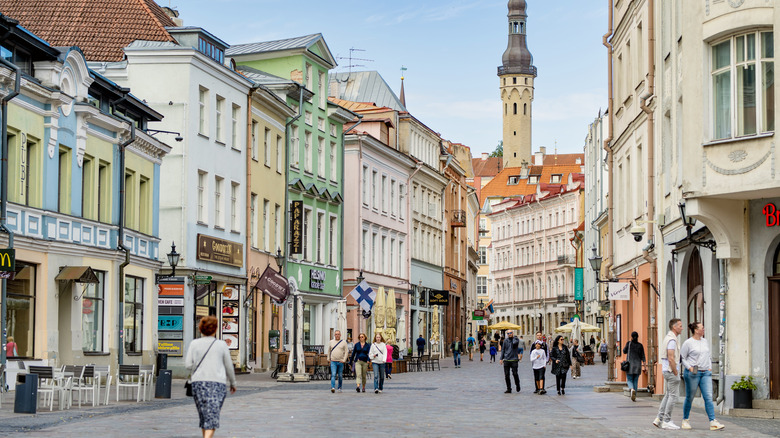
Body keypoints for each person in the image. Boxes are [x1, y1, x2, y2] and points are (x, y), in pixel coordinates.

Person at [185, 315, 236, 438]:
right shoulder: (221, 345)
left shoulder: (194, 344)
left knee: (204, 416)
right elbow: (229, 366)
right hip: (217, 384)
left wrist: (199, 368)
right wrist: (233, 383)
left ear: (200, 329)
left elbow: (188, 365)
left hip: (198, 384)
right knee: (212, 416)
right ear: (215, 329)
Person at [680, 322, 725, 431]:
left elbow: (708, 355)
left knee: (708, 397)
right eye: (702, 328)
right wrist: (689, 367)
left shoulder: (705, 341)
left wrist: (709, 367)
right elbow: (682, 357)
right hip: (693, 374)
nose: (704, 329)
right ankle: (685, 420)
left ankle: (713, 421)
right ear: (696, 330)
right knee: (690, 397)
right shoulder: (688, 343)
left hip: (705, 373)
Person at [653, 318, 683, 430]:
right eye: (680, 326)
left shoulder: (669, 338)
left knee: (668, 395)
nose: (682, 328)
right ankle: (667, 420)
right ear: (674, 327)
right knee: (673, 396)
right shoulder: (672, 340)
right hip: (671, 371)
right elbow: (671, 357)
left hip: (666, 370)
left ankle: (659, 418)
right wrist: (676, 372)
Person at [623, 331, 646, 402]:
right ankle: (634, 395)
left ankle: (632, 389)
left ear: (631, 337)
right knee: (635, 380)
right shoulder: (640, 345)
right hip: (638, 366)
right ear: (638, 337)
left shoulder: (629, 344)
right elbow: (643, 357)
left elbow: (624, 351)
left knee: (629, 380)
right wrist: (644, 367)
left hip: (630, 366)